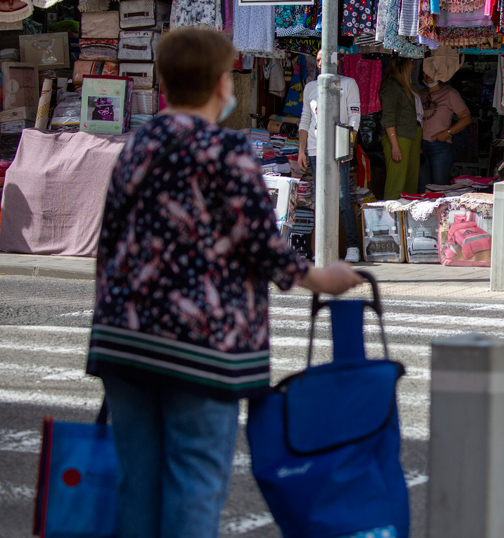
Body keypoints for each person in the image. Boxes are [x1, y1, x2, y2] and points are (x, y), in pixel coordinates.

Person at [85, 27, 363, 538]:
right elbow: (260, 241)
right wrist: (320, 276)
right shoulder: (225, 149)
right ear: (220, 85)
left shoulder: (135, 146)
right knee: (194, 478)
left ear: (164, 84)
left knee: (137, 484)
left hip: (123, 339)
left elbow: (109, 243)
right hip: (200, 345)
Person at [298, 50, 362, 263]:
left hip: (339, 147)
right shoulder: (310, 87)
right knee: (321, 198)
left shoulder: (348, 83)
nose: (320, 63)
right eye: (317, 59)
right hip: (317, 149)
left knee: (343, 196)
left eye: (324, 58)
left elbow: (354, 116)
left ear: (337, 60)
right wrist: (301, 149)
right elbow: (305, 119)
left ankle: (352, 245)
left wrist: (348, 145)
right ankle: (323, 247)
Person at [419, 46, 471, 188]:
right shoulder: (420, 94)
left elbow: (466, 118)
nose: (427, 75)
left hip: (440, 146)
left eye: (431, 72)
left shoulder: (450, 93)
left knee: (439, 188)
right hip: (420, 146)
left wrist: (447, 133)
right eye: (425, 72)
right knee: (423, 189)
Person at [379, 57, 423, 200]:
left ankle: (408, 218)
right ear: (403, 65)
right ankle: (391, 218)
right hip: (398, 137)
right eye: (411, 63)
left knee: (410, 183)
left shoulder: (405, 85)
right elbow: (388, 117)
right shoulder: (391, 86)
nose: (413, 66)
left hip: (410, 135)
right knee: (396, 183)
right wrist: (395, 145)